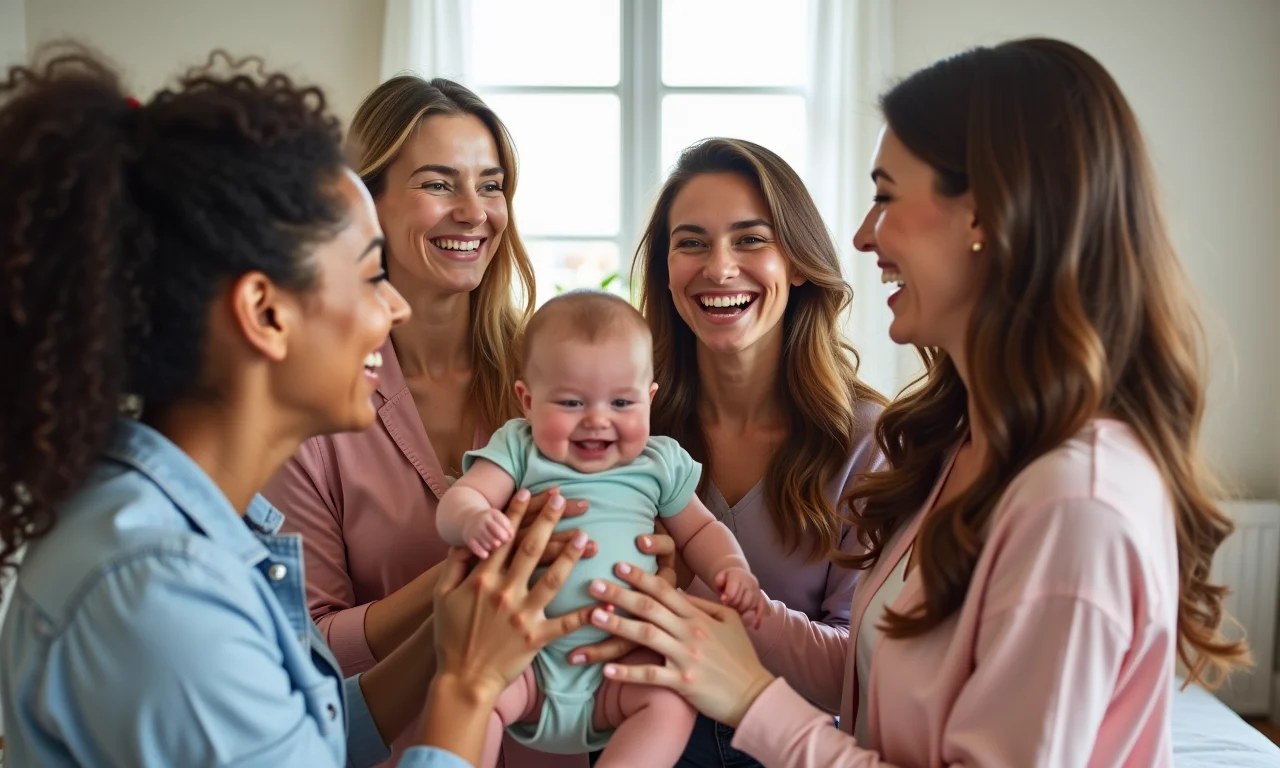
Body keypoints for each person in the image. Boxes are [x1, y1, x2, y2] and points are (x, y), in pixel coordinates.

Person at [577, 38, 1251, 766]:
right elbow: (875, 676)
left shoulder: (1074, 507)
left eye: (886, 196)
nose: (864, 235)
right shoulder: (961, 445)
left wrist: (751, 700)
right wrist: (732, 619)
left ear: (986, 215)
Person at [0, 46, 594, 768]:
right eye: (370, 276)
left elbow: (308, 736)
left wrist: (451, 626)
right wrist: (468, 684)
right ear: (266, 313)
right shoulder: (159, 587)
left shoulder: (196, 534)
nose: (392, 308)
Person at [262, 75, 671, 767]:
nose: (474, 212)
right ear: (367, 202)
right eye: (438, 183)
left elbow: (646, 510)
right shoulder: (315, 406)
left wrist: (654, 561)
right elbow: (309, 646)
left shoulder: (561, 374)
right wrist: (471, 575)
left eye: (491, 186)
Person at [570, 138, 885, 766]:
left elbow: (859, 668)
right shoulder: (623, 427)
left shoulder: (866, 440)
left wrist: (695, 591)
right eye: (691, 243)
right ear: (665, 269)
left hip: (792, 747)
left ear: (797, 263)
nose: (719, 268)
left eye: (750, 239)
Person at [438, 291, 763, 767]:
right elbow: (459, 500)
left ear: (649, 399)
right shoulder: (520, 449)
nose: (597, 419)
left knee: (671, 701)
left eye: (621, 402)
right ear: (527, 400)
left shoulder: (658, 462)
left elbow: (699, 531)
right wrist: (474, 518)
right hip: (523, 660)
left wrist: (732, 568)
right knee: (473, 700)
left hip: (622, 665)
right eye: (571, 402)